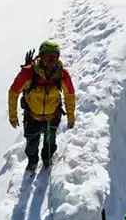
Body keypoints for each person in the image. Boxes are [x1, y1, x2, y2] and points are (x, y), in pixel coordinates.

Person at [8, 40, 76, 172]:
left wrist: (71, 117)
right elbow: (13, 92)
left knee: (50, 143)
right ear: (41, 57)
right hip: (33, 117)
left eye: (54, 58)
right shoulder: (28, 73)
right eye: (48, 58)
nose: (51, 62)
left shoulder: (62, 75)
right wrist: (12, 115)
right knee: (32, 144)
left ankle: (47, 159)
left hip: (52, 116)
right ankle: (32, 162)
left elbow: (70, 95)